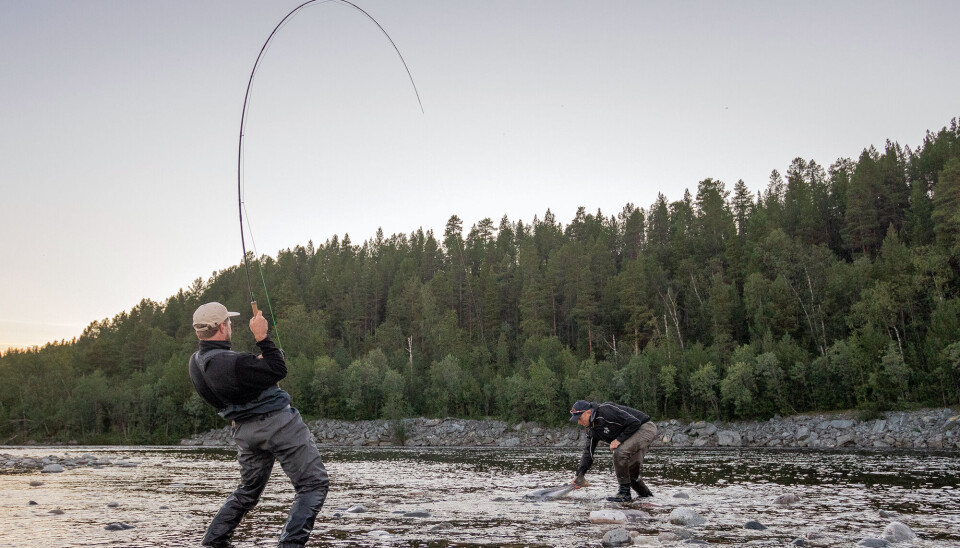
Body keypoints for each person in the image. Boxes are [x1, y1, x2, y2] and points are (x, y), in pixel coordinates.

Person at [188, 301, 329, 548]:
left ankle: (213, 542)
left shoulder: (195, 363)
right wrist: (262, 337)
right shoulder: (234, 363)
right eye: (229, 322)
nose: (230, 325)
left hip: (243, 433)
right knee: (313, 484)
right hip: (278, 425)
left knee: (247, 492)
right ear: (222, 326)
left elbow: (238, 382)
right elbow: (278, 369)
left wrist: (257, 368)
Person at [569, 399, 658, 502]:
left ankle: (624, 494)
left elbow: (635, 422)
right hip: (631, 434)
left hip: (644, 428)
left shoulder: (606, 411)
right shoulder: (591, 429)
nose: (579, 422)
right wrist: (579, 475)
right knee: (631, 474)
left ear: (588, 412)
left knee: (619, 452)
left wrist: (619, 440)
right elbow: (588, 453)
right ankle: (647, 498)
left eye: (579, 418)